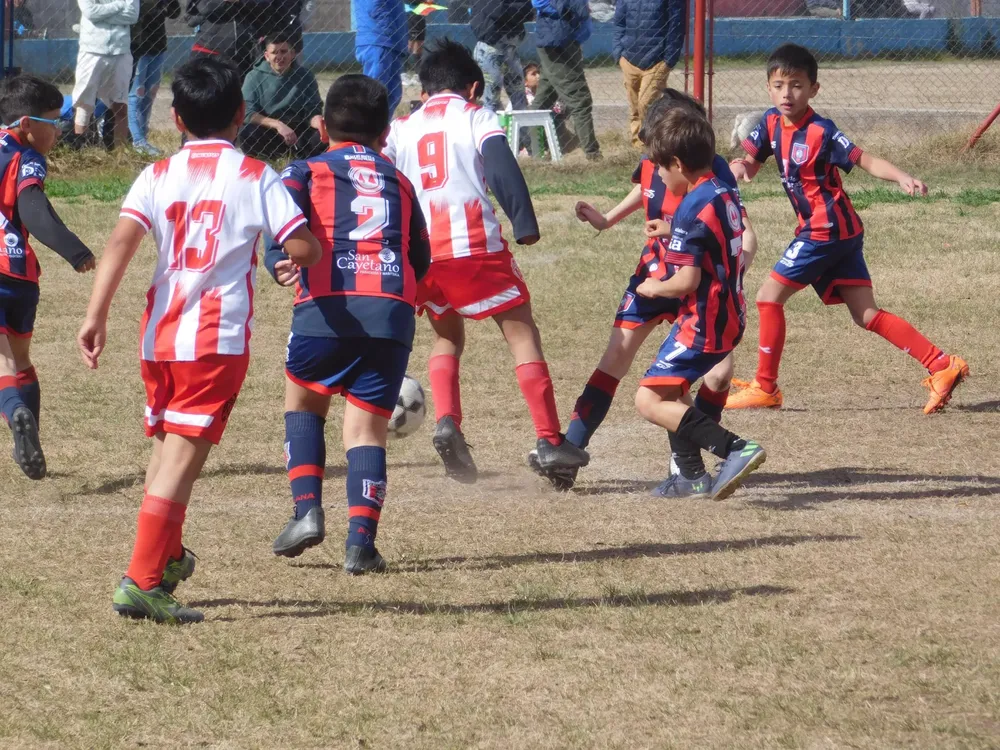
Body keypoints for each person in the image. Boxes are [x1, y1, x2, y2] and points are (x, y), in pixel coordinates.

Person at [77, 57, 322, 625]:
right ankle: (140, 581)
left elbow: (119, 243)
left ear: (177, 119)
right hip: (214, 340)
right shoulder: (256, 174)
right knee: (181, 463)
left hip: (158, 337)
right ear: (241, 114)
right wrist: (291, 261)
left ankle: (163, 559)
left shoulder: (156, 175)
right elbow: (303, 245)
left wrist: (95, 315)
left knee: (166, 450)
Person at [384, 39, 590, 482]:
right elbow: (500, 165)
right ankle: (550, 438)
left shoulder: (401, 128)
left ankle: (447, 422)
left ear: (424, 92)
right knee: (521, 333)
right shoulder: (477, 116)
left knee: (447, 337)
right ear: (474, 87)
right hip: (474, 249)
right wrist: (524, 220)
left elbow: (384, 181)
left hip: (422, 255)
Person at [727, 44, 968, 414]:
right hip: (840, 232)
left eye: (796, 85)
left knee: (767, 297)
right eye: (779, 85)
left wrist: (902, 176)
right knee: (865, 314)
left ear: (813, 89)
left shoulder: (822, 131)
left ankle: (765, 387)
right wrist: (741, 167)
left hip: (825, 230)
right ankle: (941, 364)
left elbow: (864, 159)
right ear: (768, 88)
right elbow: (751, 162)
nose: (787, 93)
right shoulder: (770, 124)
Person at [551, 89, 757, 493]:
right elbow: (646, 189)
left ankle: (691, 468)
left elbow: (741, 230)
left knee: (715, 375)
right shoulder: (655, 161)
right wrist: (607, 219)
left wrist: (735, 263)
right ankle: (569, 454)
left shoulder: (711, 174)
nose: (653, 163)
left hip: (691, 287)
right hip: (655, 273)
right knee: (617, 355)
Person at [264, 74, 430, 573]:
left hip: (326, 308)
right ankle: (361, 545)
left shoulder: (304, 171)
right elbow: (420, 253)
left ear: (321, 126)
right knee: (366, 431)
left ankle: (307, 510)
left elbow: (282, 226)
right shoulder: (399, 180)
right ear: (385, 135)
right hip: (391, 313)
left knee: (305, 401)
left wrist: (278, 261)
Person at [633, 106, 766, 500]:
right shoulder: (720, 193)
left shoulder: (691, 205)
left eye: (660, 167)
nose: (657, 175)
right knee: (672, 388)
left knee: (649, 399)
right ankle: (690, 476)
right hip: (729, 314)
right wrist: (674, 229)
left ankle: (735, 449)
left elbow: (686, 280)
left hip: (702, 320)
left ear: (677, 163)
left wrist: (654, 287)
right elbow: (719, 236)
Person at [0, 76, 96, 480]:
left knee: (2, 360)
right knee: (18, 358)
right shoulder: (28, 157)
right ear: (26, 124)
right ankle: (31, 438)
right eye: (53, 122)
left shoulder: (22, 154)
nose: (58, 130)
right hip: (17, 273)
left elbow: (36, 207)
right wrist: (76, 251)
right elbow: (34, 209)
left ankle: (16, 413)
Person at [530, 0, 600, 160]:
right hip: (557, 41)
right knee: (579, 99)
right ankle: (593, 154)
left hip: (565, 39)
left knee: (544, 99)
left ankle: (534, 150)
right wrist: (568, 9)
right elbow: (538, 2)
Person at [612, 0, 686, 149]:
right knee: (634, 108)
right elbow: (619, 22)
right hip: (629, 59)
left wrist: (669, 60)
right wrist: (618, 54)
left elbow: (676, 25)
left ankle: (654, 144)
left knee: (646, 104)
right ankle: (638, 147)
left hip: (657, 61)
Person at [240, 32, 324, 160]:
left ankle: (303, 161)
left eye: (284, 51)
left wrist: (317, 121)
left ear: (292, 54)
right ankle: (269, 161)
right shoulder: (253, 77)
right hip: (269, 128)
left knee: (321, 134)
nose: (279, 57)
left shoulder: (305, 76)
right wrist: (278, 125)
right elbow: (247, 112)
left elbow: (312, 110)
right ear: (267, 56)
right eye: (274, 53)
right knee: (248, 133)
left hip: (298, 129)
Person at [69, 0, 139, 150]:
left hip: (121, 51)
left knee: (121, 105)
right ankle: (80, 153)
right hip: (91, 50)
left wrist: (101, 15)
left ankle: (121, 155)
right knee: (84, 105)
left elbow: (132, 15)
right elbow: (90, 12)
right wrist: (119, 5)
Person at [129, 0, 181, 157]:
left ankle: (142, 137)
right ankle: (137, 141)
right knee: (136, 95)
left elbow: (174, 12)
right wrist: (158, 8)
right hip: (138, 47)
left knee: (149, 96)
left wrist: (166, 5)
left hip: (157, 46)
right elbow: (136, 14)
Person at [471, 0, 532, 113]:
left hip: (511, 48)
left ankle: (521, 130)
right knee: (490, 101)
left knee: (519, 99)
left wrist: (511, 9)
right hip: (490, 47)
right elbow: (497, 10)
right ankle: (489, 128)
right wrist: (516, 10)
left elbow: (528, 9)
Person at [185, 0, 264, 78]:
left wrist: (238, 2)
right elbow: (201, 8)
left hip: (247, 50)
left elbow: (264, 6)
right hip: (210, 50)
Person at [354, 0, 407, 115]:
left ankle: (381, 129)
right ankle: (368, 128)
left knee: (393, 94)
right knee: (374, 93)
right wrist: (388, 28)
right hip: (378, 39)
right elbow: (373, 6)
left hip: (392, 40)